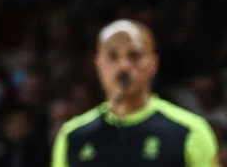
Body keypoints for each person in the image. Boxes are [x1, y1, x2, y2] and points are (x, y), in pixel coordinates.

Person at [51, 22, 218, 167]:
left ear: (153, 64)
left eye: (134, 56)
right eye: (112, 57)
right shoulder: (72, 136)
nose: (123, 66)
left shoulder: (189, 131)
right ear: (98, 65)